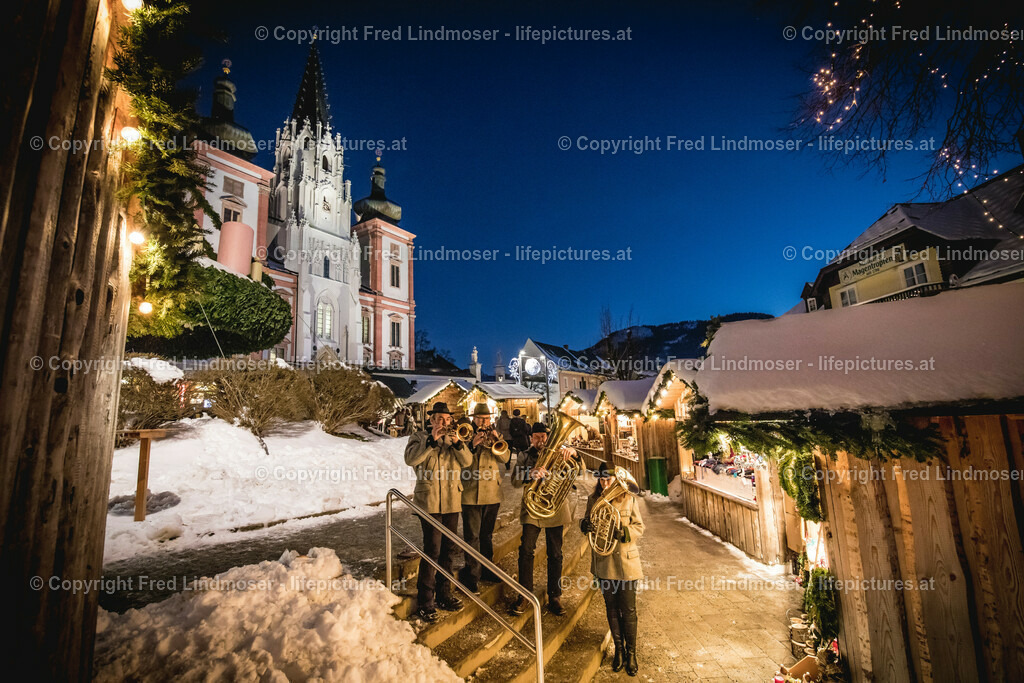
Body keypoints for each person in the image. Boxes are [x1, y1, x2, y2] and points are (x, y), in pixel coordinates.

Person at [404, 401, 473, 623]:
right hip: (429, 503)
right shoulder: (419, 437)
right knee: (432, 550)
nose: (443, 422)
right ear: (431, 420)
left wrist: (458, 444)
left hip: (452, 502)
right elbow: (411, 460)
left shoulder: (455, 439)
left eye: (446, 419)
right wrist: (431, 440)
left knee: (448, 550)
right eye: (439, 419)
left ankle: (445, 594)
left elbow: (468, 463)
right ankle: (426, 601)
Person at [509, 422, 582, 617]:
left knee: (556, 554)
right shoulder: (525, 455)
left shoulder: (561, 453)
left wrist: (574, 453)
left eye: (544, 436)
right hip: (532, 509)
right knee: (526, 551)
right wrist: (530, 473)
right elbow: (515, 480)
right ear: (531, 438)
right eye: (537, 436)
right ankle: (524, 595)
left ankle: (555, 596)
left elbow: (579, 471)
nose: (541, 440)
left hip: (555, 509)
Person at [580, 462, 645, 676]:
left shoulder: (628, 498)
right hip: (604, 562)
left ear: (616, 479)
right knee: (612, 608)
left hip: (626, 562)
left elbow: (639, 527)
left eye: (608, 479)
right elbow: (589, 524)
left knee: (629, 609)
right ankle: (619, 650)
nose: (605, 483)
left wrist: (624, 533)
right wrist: (585, 525)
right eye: (601, 479)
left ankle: (632, 653)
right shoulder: (593, 500)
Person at [458, 404, 511, 591]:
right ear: (474, 419)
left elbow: (505, 459)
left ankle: (487, 569)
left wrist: (496, 440)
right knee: (472, 536)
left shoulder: (496, 435)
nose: (484, 422)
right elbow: (460, 459)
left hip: (491, 492)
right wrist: (472, 445)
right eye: (480, 418)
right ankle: (472, 574)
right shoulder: (464, 434)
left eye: (487, 418)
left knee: (486, 535)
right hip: (470, 493)